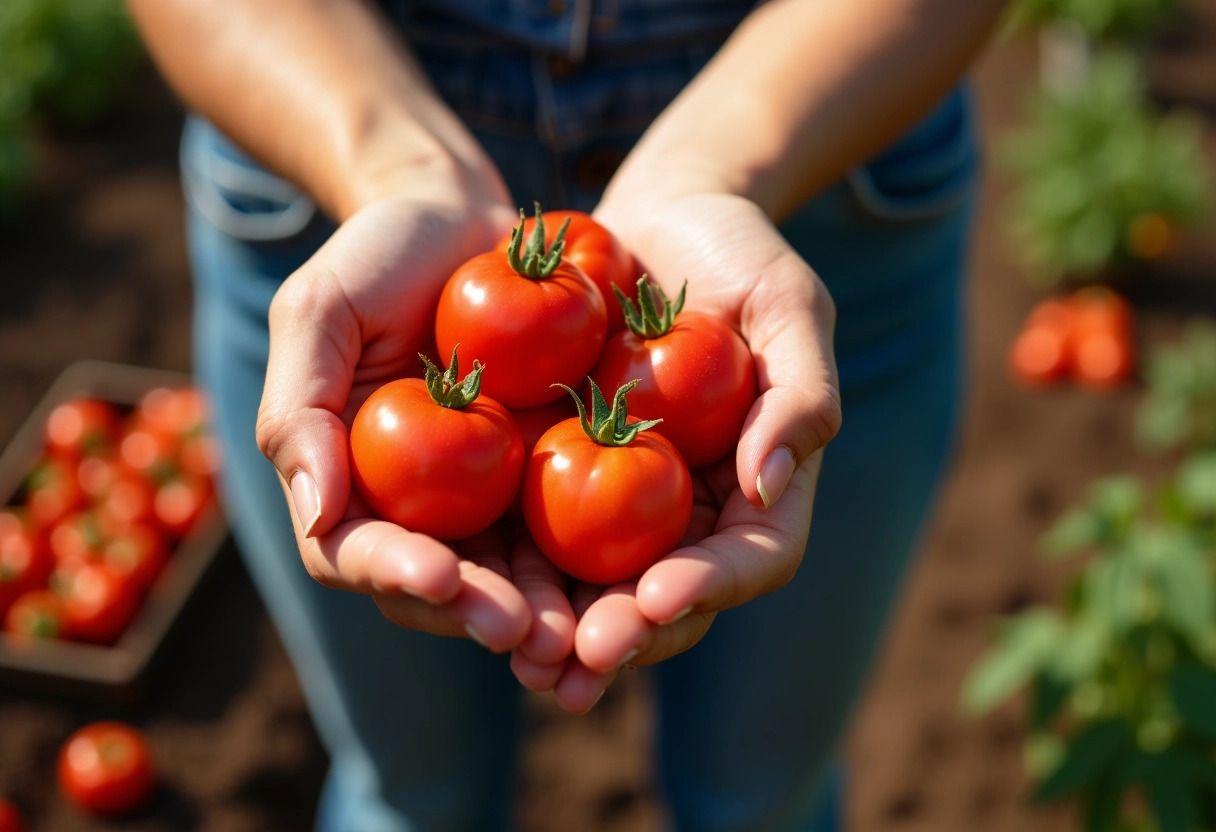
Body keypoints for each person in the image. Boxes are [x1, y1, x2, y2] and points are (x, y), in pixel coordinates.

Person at [126, 0, 1007, 829]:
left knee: (762, 801)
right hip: (311, 128)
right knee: (409, 795)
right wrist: (395, 166)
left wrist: (713, 164)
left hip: (833, 138)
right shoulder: (540, 363)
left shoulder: (603, 348)